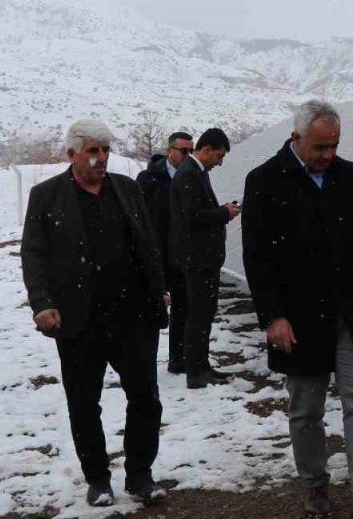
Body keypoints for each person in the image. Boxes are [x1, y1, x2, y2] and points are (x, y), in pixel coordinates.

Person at [242, 100, 353, 519]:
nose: (329, 155)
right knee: (306, 409)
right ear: (296, 139)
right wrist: (273, 316)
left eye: (334, 146)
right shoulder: (264, 181)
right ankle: (315, 488)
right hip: (300, 315)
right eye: (320, 148)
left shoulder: (349, 175)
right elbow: (257, 257)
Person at [20, 119, 170, 507]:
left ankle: (140, 474)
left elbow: (147, 243)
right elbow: (34, 255)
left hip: (132, 317)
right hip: (78, 321)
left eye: (105, 150)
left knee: (145, 398)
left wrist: (159, 290)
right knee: (84, 404)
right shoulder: (46, 196)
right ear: (71, 154)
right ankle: (98, 479)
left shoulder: (127, 188)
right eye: (92, 151)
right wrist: (43, 302)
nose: (101, 158)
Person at [168, 127, 240, 389]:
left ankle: (201, 366)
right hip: (197, 259)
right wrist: (224, 213)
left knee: (202, 314)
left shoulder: (196, 172)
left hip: (202, 258)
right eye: (219, 156)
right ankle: (196, 372)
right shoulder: (189, 174)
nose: (219, 162)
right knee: (198, 315)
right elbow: (193, 217)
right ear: (207, 149)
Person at [136, 131, 195, 374]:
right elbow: (138, 216)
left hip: (180, 254)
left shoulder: (192, 176)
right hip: (155, 253)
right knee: (151, 308)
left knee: (182, 306)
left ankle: (177, 358)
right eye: (184, 150)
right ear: (170, 150)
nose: (188, 155)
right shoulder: (149, 178)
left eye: (191, 151)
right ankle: (142, 361)